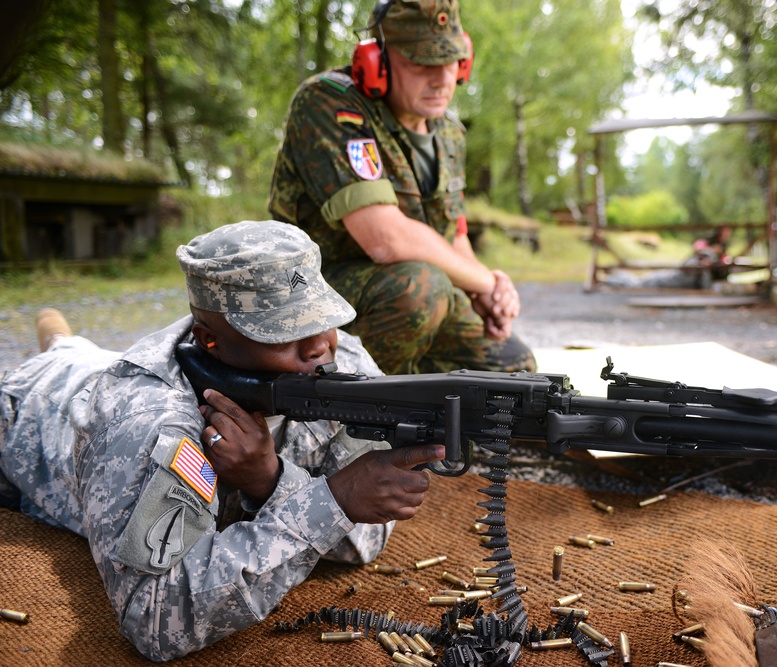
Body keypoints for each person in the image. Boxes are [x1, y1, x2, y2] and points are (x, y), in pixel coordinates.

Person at [0, 220, 444, 661]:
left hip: (93, 366)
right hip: (33, 407)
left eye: (322, 318)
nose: (319, 347)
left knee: (77, 351)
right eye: (284, 331)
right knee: (64, 358)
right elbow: (154, 618)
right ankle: (59, 343)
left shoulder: (335, 357)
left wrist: (271, 482)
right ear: (209, 340)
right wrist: (334, 501)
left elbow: (366, 537)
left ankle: (62, 340)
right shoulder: (145, 418)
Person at [268, 0, 536, 376]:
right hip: (313, 293)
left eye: (450, 61)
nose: (442, 78)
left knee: (514, 369)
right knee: (420, 288)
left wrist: (486, 294)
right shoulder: (330, 103)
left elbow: (454, 233)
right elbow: (385, 239)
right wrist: (487, 282)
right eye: (422, 62)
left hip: (412, 297)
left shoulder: (450, 133)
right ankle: (360, 418)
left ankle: (435, 422)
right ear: (376, 60)